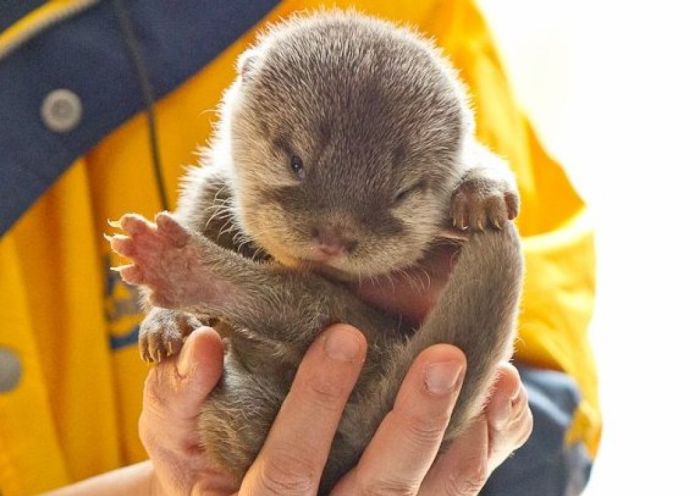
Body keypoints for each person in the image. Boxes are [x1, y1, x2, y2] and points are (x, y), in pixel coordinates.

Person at [0, 1, 599, 495]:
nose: (334, 235)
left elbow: (545, 396)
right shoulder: (225, 181)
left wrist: (489, 460)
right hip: (243, 422)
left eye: (390, 197)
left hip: (397, 403)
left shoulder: (420, 23)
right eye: (294, 165)